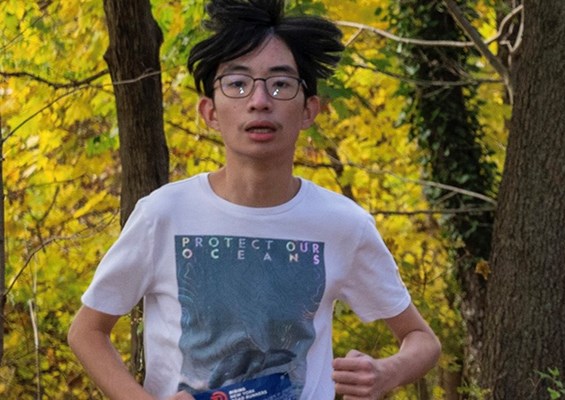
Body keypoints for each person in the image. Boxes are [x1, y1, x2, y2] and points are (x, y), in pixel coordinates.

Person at [66, 0, 440, 398]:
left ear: (309, 110)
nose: (259, 100)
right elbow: (87, 331)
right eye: (238, 84)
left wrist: (385, 373)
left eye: (280, 84)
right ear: (210, 111)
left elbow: (422, 340)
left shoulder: (342, 224)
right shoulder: (164, 214)